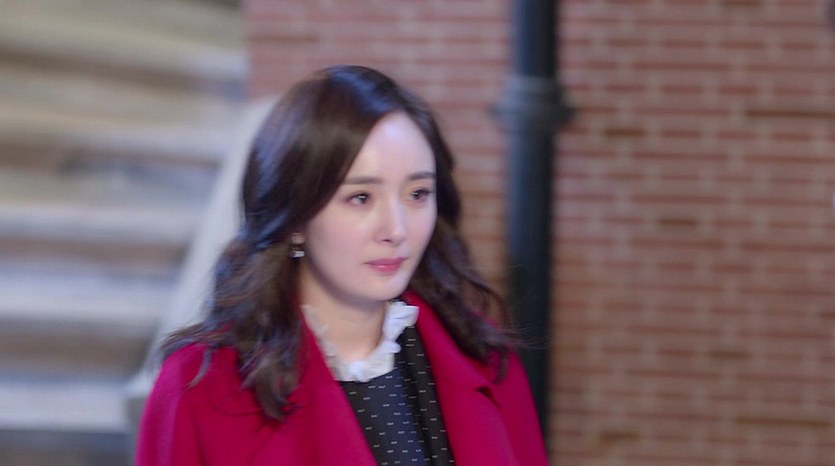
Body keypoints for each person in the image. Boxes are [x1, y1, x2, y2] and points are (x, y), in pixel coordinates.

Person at [136, 65, 547, 466]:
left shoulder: (485, 357)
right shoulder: (197, 388)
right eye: (361, 198)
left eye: (418, 194)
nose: (397, 229)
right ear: (295, 219)